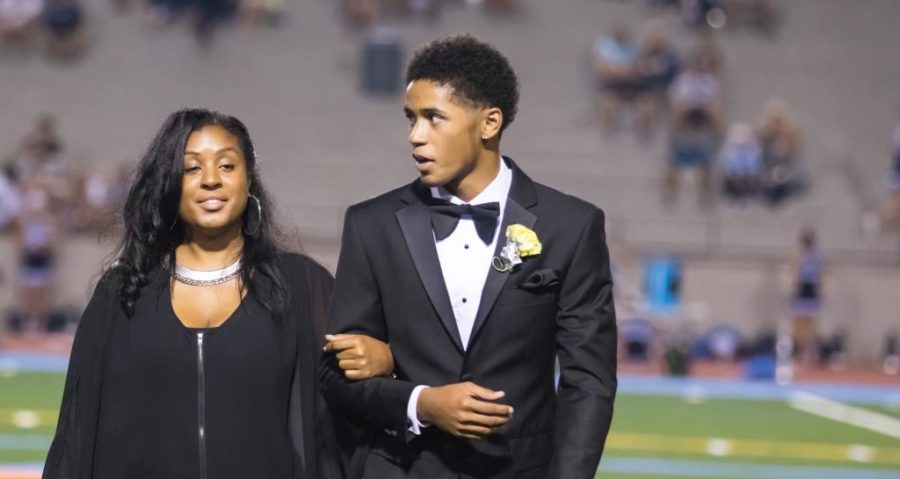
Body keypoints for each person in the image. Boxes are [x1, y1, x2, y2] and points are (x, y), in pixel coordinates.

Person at [320, 35, 618, 479]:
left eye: (434, 118)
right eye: (411, 119)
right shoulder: (371, 225)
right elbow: (334, 379)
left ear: (489, 123)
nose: (415, 136)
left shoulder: (570, 226)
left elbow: (588, 383)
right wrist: (422, 402)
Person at [43, 108, 346, 479]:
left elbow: (344, 420)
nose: (211, 181)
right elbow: (77, 429)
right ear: (171, 183)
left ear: (249, 179)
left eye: (227, 166)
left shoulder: (302, 285)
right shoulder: (122, 294)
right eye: (192, 169)